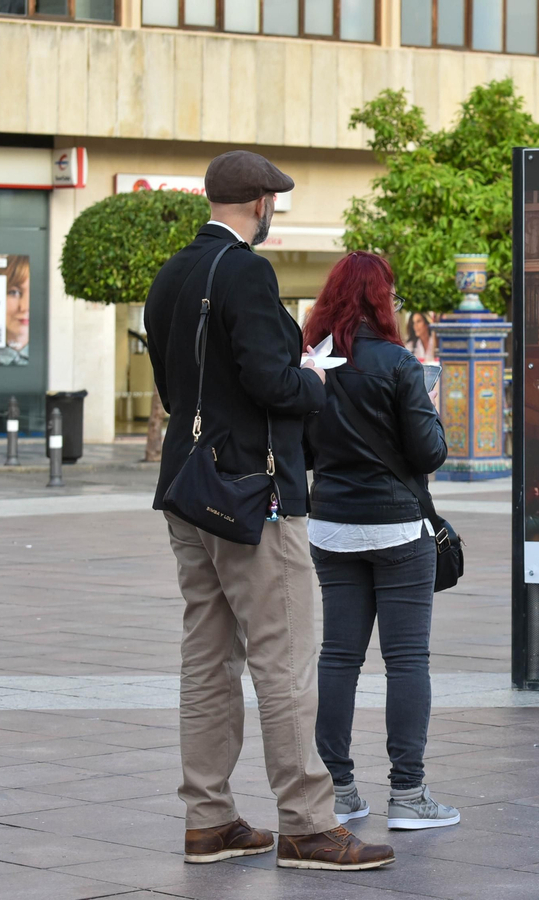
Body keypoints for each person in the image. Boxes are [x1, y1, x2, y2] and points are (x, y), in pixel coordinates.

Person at [144, 151, 394, 872]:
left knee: (207, 658)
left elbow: (173, 387)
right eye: (273, 203)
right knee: (283, 658)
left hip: (188, 488)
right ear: (260, 204)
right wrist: (311, 378)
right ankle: (308, 824)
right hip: (255, 495)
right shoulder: (247, 272)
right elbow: (269, 382)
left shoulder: (172, 272)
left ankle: (208, 819)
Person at [302, 251, 457, 833]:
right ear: (378, 298)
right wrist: (431, 412)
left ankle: (338, 792)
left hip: (332, 525)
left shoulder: (311, 362)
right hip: (397, 527)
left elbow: (304, 450)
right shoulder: (399, 363)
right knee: (407, 659)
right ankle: (408, 794)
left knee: (339, 656)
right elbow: (428, 453)